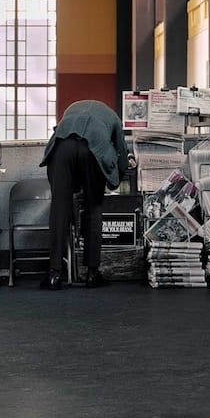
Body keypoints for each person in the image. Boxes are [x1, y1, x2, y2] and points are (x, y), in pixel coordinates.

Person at [38, 99, 131, 290]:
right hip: (93, 150)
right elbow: (121, 151)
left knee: (59, 211)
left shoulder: (72, 108)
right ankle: (92, 273)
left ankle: (54, 274)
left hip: (61, 148)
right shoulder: (112, 117)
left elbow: (66, 136)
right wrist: (119, 176)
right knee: (94, 208)